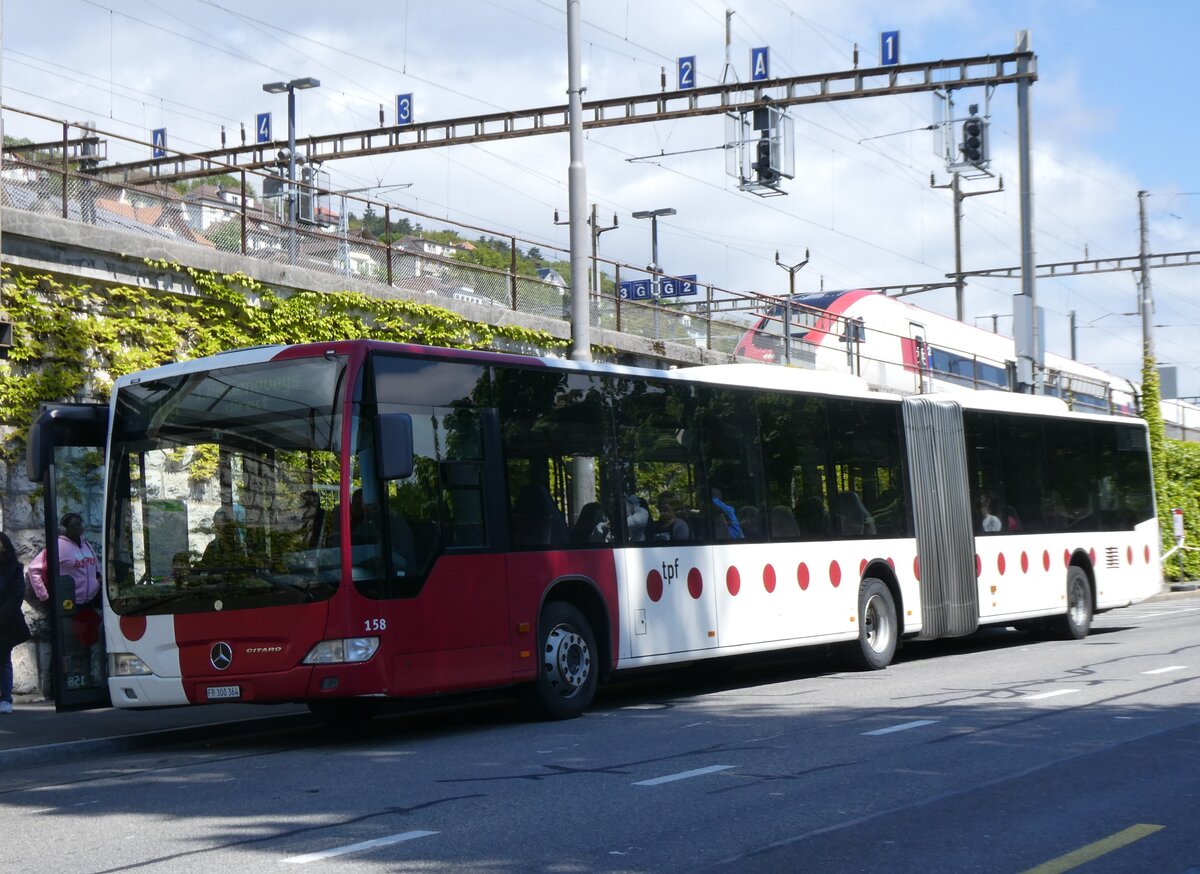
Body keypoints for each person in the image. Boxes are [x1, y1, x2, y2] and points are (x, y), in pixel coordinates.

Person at [28, 512, 101, 605]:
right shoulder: (57, 546)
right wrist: (44, 596)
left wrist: (97, 584)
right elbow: (33, 568)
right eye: (73, 526)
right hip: (68, 603)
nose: (77, 528)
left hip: (91, 601)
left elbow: (97, 569)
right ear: (64, 529)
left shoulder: (87, 545)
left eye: (79, 524)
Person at [0, 532, 30, 715]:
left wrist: (2, 616)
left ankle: (5, 698)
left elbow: (16, 595)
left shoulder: (14, 568)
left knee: (3, 660)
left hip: (5, 623)